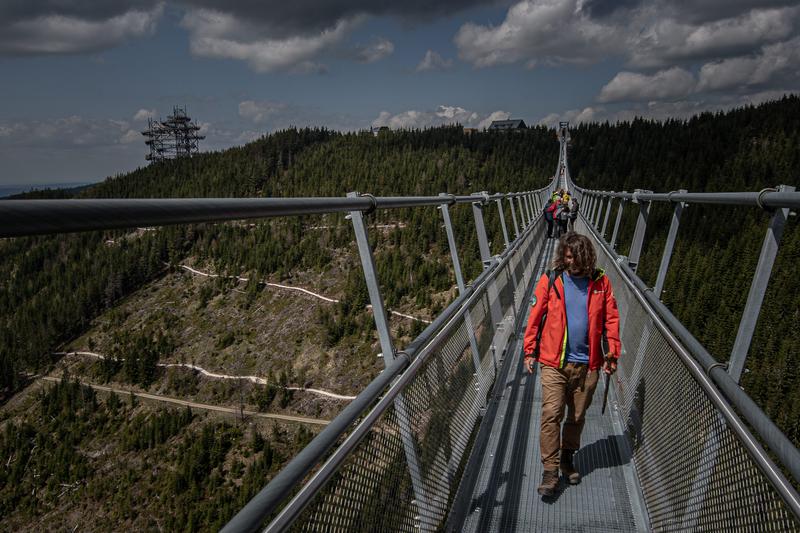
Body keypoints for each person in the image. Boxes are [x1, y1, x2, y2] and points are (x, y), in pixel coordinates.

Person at [522, 232, 621, 497]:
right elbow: (535, 315)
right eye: (567, 257)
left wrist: (612, 354)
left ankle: (567, 458)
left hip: (588, 364)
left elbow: (611, 319)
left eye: (576, 257)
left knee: (576, 417)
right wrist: (529, 350)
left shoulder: (601, 283)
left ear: (586, 257)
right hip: (553, 361)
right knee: (551, 413)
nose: (571, 262)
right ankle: (550, 471)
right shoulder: (551, 279)